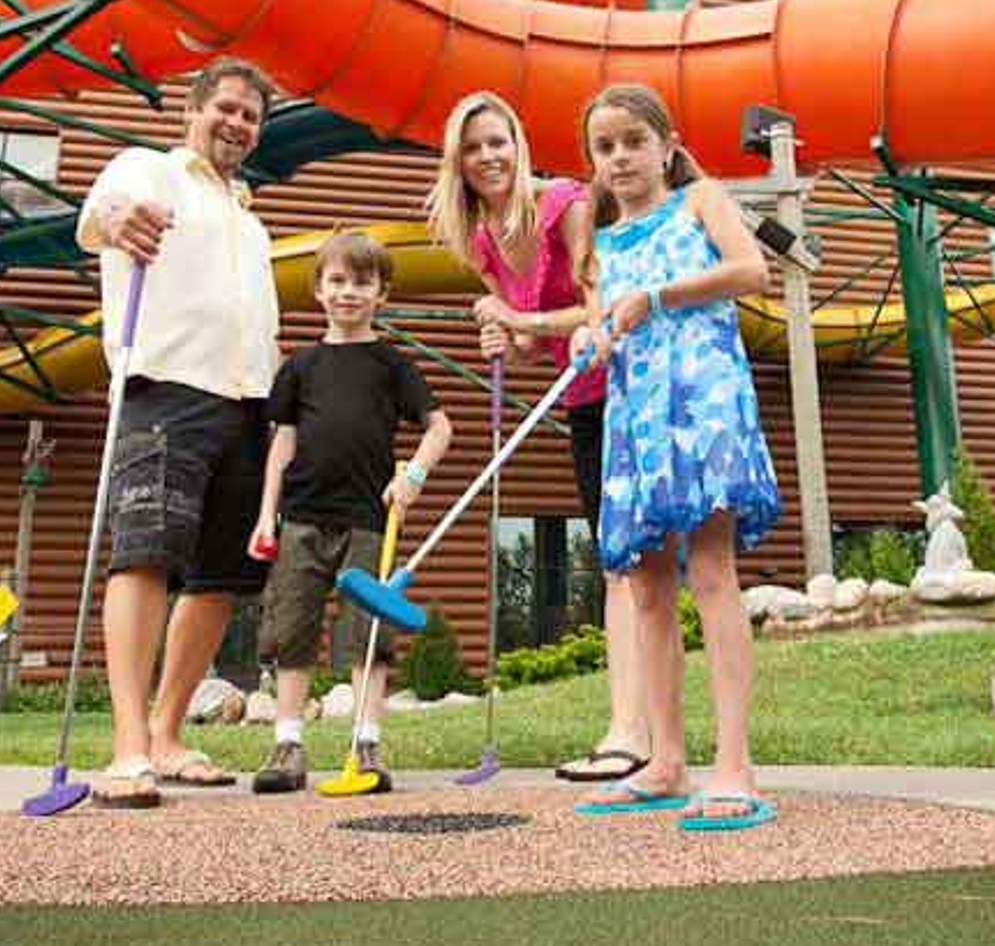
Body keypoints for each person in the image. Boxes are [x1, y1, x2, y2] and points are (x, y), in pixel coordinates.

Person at [569, 84, 782, 831]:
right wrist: (586, 335)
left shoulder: (702, 201)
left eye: (633, 140)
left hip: (705, 402)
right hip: (637, 419)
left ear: (666, 144)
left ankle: (734, 764)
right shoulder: (596, 245)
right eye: (605, 147)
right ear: (593, 162)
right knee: (648, 589)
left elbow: (752, 271)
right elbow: (598, 323)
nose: (621, 156)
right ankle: (664, 761)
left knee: (712, 572)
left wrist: (657, 298)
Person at [424, 90, 649, 784]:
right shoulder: (485, 240)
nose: (489, 156)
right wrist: (502, 330)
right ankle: (635, 731)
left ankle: (632, 731)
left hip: (629, 386)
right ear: (456, 163)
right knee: (620, 560)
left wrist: (525, 322)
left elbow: (594, 304)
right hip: (581, 399)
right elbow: (529, 343)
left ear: (518, 145)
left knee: (633, 562)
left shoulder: (564, 203)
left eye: (499, 141)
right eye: (473, 146)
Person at [75, 58, 282, 803]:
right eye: (226, 108)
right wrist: (115, 223)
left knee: (222, 577)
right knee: (145, 556)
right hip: (164, 390)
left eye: (251, 117)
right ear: (194, 110)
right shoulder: (149, 171)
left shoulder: (251, 220)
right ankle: (128, 746)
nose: (237, 124)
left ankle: (167, 734)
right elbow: (99, 216)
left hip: (247, 403)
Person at [246, 231, 454, 794]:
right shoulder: (299, 368)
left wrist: (412, 476)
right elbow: (281, 446)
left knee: (368, 635)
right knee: (292, 629)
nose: (348, 293)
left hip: (370, 519)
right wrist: (267, 516)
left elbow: (440, 428)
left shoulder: (391, 366)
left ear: (381, 292)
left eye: (362, 282)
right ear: (318, 289)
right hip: (302, 518)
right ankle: (288, 744)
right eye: (337, 281)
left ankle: (366, 742)